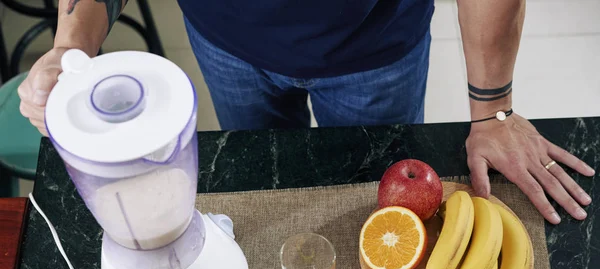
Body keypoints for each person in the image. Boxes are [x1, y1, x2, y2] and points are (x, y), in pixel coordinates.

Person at [18, 0, 594, 224]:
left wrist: (492, 112)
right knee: (267, 198)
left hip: (374, 46)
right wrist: (72, 43)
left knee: (380, 206)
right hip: (226, 40)